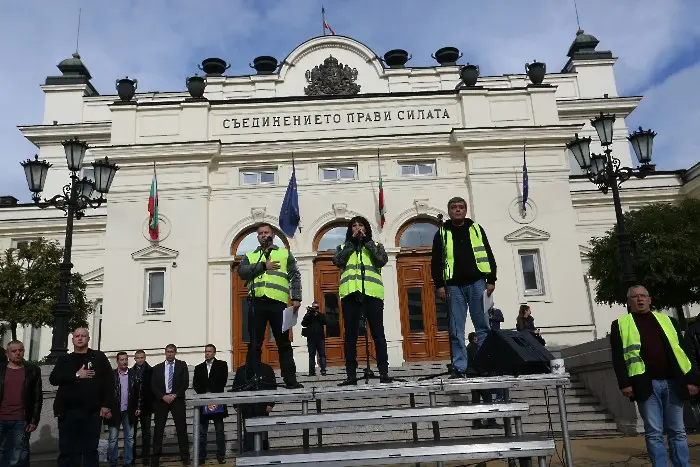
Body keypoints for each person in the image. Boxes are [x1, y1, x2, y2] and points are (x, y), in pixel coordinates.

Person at [611, 285, 699, 467]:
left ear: (650, 299)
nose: (640, 299)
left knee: (678, 430)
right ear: (629, 302)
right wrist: (625, 384)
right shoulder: (620, 324)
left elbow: (683, 352)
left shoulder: (668, 321)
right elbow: (618, 357)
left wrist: (692, 379)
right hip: (645, 384)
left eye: (643, 296)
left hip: (673, 382)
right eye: (635, 297)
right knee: (654, 432)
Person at [431, 197, 497, 378]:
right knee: (456, 329)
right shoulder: (442, 233)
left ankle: (485, 365)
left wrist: (491, 279)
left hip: (477, 283)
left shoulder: (476, 229)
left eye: (461, 207)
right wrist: (439, 285)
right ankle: (460, 368)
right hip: (453, 286)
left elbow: (488, 253)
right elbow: (435, 261)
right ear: (449, 211)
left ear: (466, 210)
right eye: (454, 207)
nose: (458, 210)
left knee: (483, 326)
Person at [237, 222, 303, 389]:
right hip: (256, 304)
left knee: (283, 343)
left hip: (278, 304)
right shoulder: (251, 256)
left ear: (273, 235)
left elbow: (295, 275)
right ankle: (251, 379)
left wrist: (296, 297)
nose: (264, 235)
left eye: (266, 232)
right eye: (260, 233)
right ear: (257, 237)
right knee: (254, 344)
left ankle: (290, 380)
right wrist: (263, 266)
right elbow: (242, 273)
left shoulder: (284, 254)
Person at [332, 216, 391, 384]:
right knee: (350, 335)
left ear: (366, 229)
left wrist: (367, 242)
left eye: (361, 226)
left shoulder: (375, 246)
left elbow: (382, 261)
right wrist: (352, 243)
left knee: (378, 334)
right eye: (354, 226)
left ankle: (384, 373)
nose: (358, 229)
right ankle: (351, 375)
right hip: (350, 294)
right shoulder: (343, 246)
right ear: (350, 230)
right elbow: (337, 261)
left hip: (372, 294)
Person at [49, 328, 115, 467]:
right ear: (72, 339)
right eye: (77, 336)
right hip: (68, 412)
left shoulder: (98, 357)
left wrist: (106, 405)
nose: (80, 338)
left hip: (92, 412)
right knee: (67, 451)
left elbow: (109, 382)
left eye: (83, 336)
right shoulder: (65, 359)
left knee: (90, 450)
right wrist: (77, 375)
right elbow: (54, 379)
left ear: (88, 338)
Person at [0, 340, 42, 467]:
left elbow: (37, 397)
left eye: (21, 350)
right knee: (2, 452)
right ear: (8, 354)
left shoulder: (33, 370)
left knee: (18, 454)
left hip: (21, 419)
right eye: (14, 351)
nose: (18, 353)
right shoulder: (1, 369)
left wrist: (34, 420)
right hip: (1, 418)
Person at [150, 344, 189, 467]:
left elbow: (185, 383)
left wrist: (175, 395)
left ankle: (185, 457)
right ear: (165, 353)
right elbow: (153, 385)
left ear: (175, 352)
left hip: (176, 399)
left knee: (181, 428)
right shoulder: (157, 368)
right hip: (162, 401)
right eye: (168, 352)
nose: (170, 354)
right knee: (158, 429)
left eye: (172, 352)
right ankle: (155, 459)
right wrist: (163, 396)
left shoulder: (182, 365)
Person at [192, 344, 229, 464]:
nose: (207, 353)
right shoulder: (198, 368)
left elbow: (222, 381)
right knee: (202, 432)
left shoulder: (222, 365)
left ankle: (221, 455)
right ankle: (201, 456)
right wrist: (205, 393)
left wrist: (211, 392)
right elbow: (195, 384)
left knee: (219, 430)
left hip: (217, 401)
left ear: (214, 353)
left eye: (209, 351)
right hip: (203, 402)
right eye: (206, 351)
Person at [230, 362, 276, 452]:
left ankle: (264, 453)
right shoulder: (241, 370)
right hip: (247, 406)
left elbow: (272, 386)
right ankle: (249, 453)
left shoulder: (266, 368)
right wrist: (236, 404)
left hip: (262, 406)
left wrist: (271, 403)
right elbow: (236, 387)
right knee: (248, 432)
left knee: (263, 431)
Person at [107, 352, 142, 467]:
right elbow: (106, 394)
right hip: (114, 411)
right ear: (117, 361)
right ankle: (113, 462)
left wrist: (138, 406)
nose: (124, 362)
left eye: (126, 359)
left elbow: (139, 393)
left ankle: (128, 462)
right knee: (112, 438)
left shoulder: (133, 374)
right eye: (121, 360)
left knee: (129, 438)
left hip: (129, 410)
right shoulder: (111, 375)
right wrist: (107, 409)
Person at [466, 333, 500, 429]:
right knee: (487, 397)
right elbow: (477, 361)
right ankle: (491, 421)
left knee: (476, 400)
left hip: (472, 375)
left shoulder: (469, 347)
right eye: (477, 337)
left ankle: (476, 422)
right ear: (474, 338)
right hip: (477, 376)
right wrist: (484, 372)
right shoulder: (473, 348)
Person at [131, 349, 153, 465]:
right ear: (135, 359)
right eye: (137, 358)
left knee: (146, 433)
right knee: (132, 433)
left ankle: (146, 457)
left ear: (145, 358)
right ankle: (132, 457)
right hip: (133, 406)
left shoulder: (150, 371)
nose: (139, 360)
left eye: (141, 357)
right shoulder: (131, 371)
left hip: (146, 406)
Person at [302, 301, 327, 376]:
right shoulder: (309, 316)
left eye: (317, 308)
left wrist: (317, 315)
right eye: (314, 307)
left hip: (320, 338)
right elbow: (303, 324)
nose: (315, 309)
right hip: (311, 339)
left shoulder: (321, 315)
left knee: (322, 355)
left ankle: (323, 370)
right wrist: (308, 314)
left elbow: (325, 321)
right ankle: (311, 372)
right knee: (311, 356)